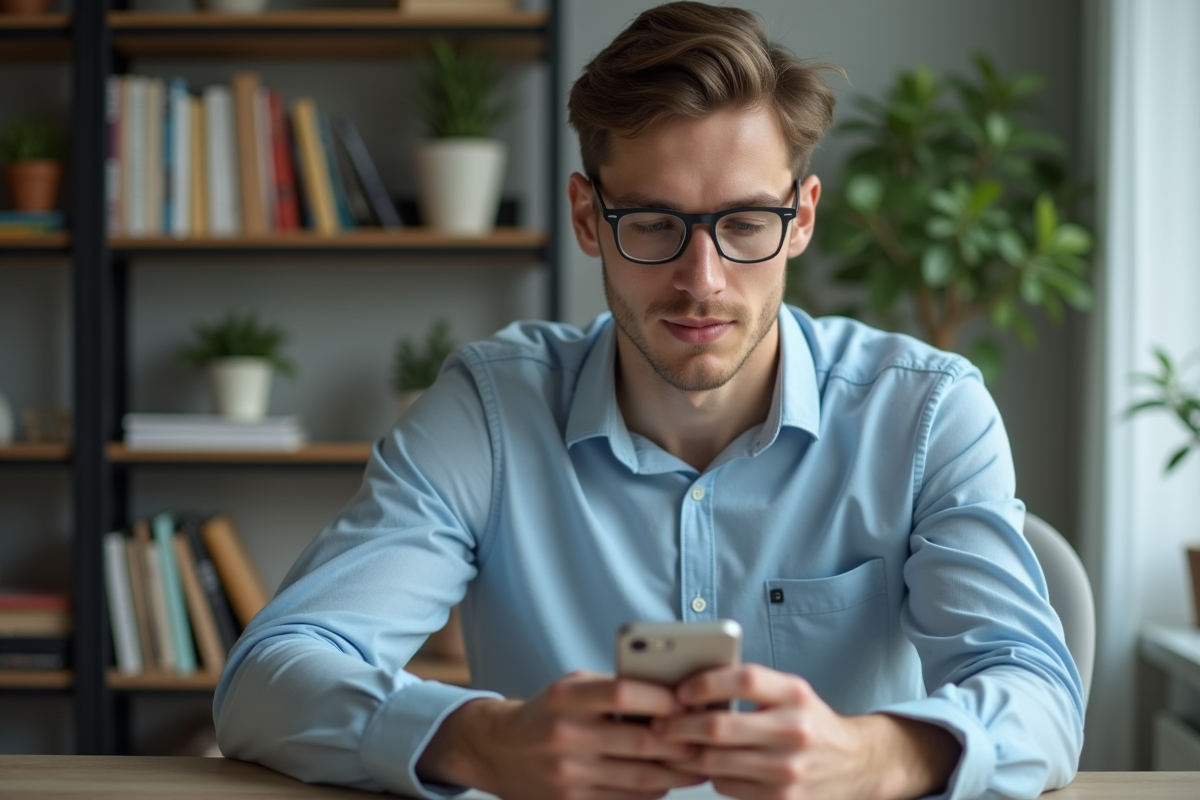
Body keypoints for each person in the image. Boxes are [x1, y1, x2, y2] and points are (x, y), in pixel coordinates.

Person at [214, 3, 1084, 799]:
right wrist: (478, 739)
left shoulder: (926, 415)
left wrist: (871, 756)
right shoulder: (487, 410)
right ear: (589, 218)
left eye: (745, 224)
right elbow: (266, 680)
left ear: (803, 217)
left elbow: (1040, 697)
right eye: (655, 224)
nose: (700, 281)